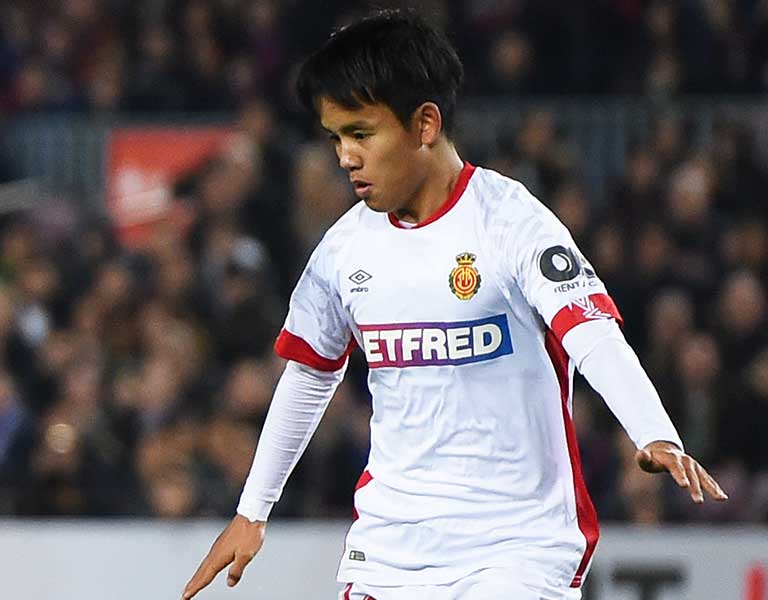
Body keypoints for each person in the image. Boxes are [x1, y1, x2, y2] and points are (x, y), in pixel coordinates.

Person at [182, 10, 727, 600]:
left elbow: (590, 332)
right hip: (390, 550)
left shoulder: (510, 222)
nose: (345, 157)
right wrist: (252, 510)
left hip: (514, 549)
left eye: (361, 134)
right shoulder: (343, 249)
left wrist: (654, 432)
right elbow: (310, 374)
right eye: (336, 138)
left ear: (425, 124)